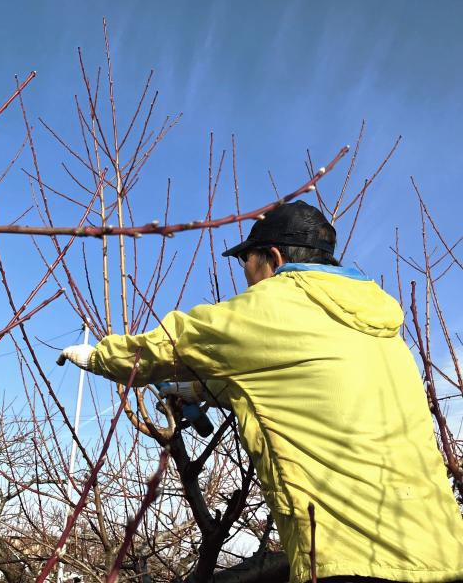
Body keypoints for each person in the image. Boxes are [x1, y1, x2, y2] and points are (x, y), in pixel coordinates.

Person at [59, 200, 463, 583]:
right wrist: (200, 390)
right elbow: (295, 376)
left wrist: (97, 357)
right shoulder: (379, 326)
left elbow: (171, 342)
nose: (245, 275)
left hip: (351, 560)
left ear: (273, 258)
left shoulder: (271, 304)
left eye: (246, 261)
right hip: (443, 552)